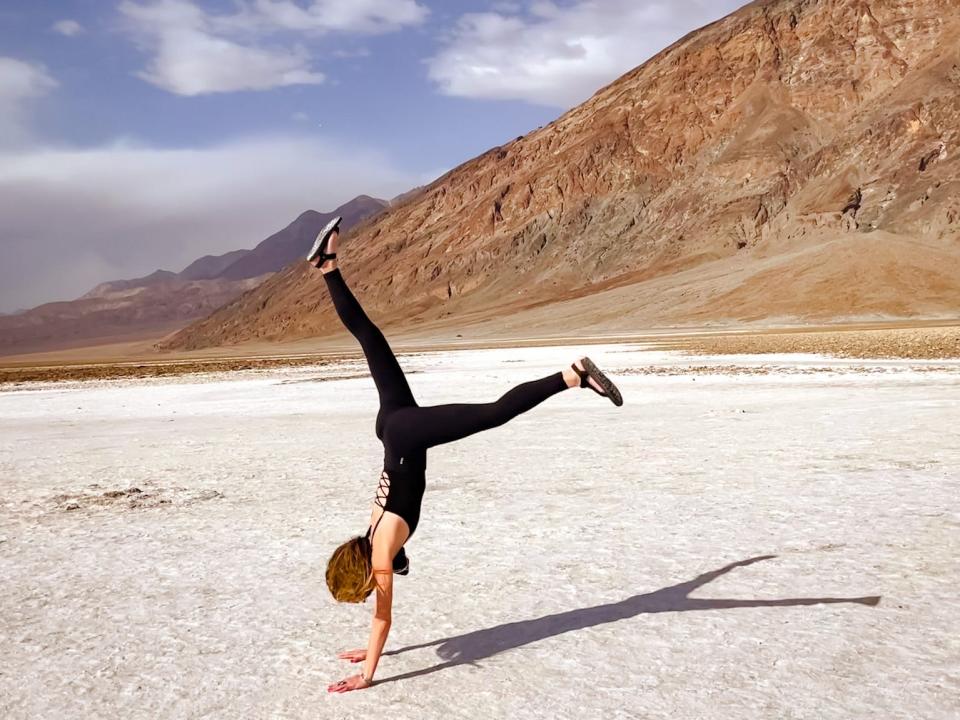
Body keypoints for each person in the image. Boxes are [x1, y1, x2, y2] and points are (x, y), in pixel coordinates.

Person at [308, 217, 623, 693]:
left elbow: (382, 619)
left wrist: (368, 671)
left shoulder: (382, 557)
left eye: (360, 591)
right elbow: (383, 600)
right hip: (393, 429)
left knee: (495, 414)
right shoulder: (372, 535)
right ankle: (328, 267)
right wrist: (377, 642)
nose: (368, 593)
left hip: (408, 436)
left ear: (363, 574)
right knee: (370, 339)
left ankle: (573, 375)